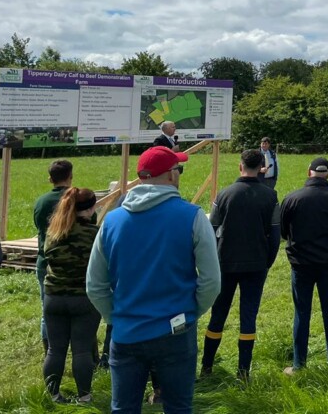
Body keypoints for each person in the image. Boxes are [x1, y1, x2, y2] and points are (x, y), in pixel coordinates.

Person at [86, 146, 221, 414]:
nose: (179, 174)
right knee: (179, 407)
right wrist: (191, 312)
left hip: (126, 332)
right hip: (176, 331)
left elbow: (95, 285)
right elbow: (211, 281)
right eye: (178, 169)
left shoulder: (111, 221)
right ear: (171, 176)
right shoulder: (193, 216)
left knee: (123, 408)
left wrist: (115, 317)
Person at [200, 148, 279, 381]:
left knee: (218, 315)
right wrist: (268, 261)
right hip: (256, 263)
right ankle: (243, 371)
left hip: (225, 262)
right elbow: (275, 235)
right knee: (248, 317)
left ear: (240, 166)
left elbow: (212, 229)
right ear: (261, 169)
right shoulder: (270, 196)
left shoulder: (224, 194)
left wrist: (213, 258)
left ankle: (206, 367)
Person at [278, 157, 328, 373]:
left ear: (309, 172)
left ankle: (299, 363)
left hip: (301, 264)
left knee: (302, 312)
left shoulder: (292, 198)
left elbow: (283, 232)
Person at [42, 187, 101, 404]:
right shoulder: (95, 234)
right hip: (84, 298)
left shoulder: (53, 232)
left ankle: (54, 395)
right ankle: (84, 396)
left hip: (53, 297)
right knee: (82, 350)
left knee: (55, 350)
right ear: (92, 207)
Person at [35, 159, 73, 354]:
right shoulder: (77, 199)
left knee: (47, 310)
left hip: (46, 262)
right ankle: (85, 352)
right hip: (77, 262)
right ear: (70, 176)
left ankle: (49, 352)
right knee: (81, 310)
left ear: (50, 178)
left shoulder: (41, 201)